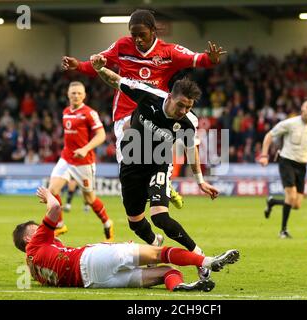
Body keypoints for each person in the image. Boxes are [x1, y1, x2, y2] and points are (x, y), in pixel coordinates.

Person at [62, 9, 226, 210]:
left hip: (154, 112)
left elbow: (197, 59)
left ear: (152, 31)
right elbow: (97, 64)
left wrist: (212, 59)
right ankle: (159, 188)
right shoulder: (122, 46)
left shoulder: (168, 52)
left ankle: (161, 185)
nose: (137, 39)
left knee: (152, 156)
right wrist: (78, 65)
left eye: (142, 34)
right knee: (128, 163)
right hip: (124, 111)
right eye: (134, 35)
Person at [90, 54, 220, 281]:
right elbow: (116, 80)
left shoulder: (189, 122)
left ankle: (200, 258)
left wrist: (200, 180)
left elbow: (191, 149)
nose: (183, 111)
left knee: (160, 217)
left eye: (188, 107)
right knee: (136, 224)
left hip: (158, 164)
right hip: (131, 162)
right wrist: (100, 69)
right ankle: (155, 243)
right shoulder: (148, 95)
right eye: (180, 105)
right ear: (170, 97)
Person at [12, 187, 240, 291]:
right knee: (159, 253)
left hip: (94, 282)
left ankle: (180, 286)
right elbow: (55, 209)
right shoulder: (37, 241)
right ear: (29, 237)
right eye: (37, 227)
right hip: (91, 260)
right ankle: (207, 261)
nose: (42, 228)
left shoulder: (33, 269)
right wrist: (49, 195)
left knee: (165, 272)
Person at [48, 81, 113, 240]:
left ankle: (107, 222)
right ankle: (60, 225)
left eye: (79, 93)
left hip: (84, 163)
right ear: (68, 95)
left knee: (89, 199)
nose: (76, 95)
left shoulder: (89, 113)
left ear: (84, 95)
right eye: (73, 93)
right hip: (66, 158)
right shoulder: (65, 112)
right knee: (52, 191)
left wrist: (85, 149)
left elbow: (101, 135)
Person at [258, 97, 307, 239]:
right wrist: (264, 155)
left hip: (302, 164)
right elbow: (269, 135)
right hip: (287, 161)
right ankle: (283, 231)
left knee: (297, 204)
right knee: (291, 196)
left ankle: (272, 201)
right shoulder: (290, 123)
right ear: (302, 108)